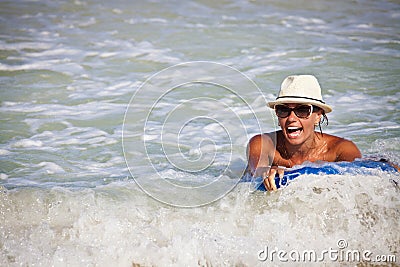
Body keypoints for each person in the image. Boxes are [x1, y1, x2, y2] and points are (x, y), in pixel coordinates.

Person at [246, 75, 362, 191]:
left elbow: (358, 183)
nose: (291, 118)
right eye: (283, 110)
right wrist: (266, 170)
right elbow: (257, 171)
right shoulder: (263, 144)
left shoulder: (340, 150)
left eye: (302, 110)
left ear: (318, 116)